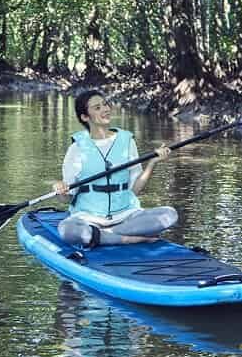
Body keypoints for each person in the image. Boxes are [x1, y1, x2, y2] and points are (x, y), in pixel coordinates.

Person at [50, 89, 178, 247]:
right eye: (97, 108)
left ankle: (106, 235)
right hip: (88, 218)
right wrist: (60, 190)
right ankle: (128, 238)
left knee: (169, 214)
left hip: (126, 215)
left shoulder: (126, 141)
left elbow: (134, 191)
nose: (105, 109)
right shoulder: (77, 148)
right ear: (85, 117)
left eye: (105, 104)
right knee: (66, 230)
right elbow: (67, 198)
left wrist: (152, 163)